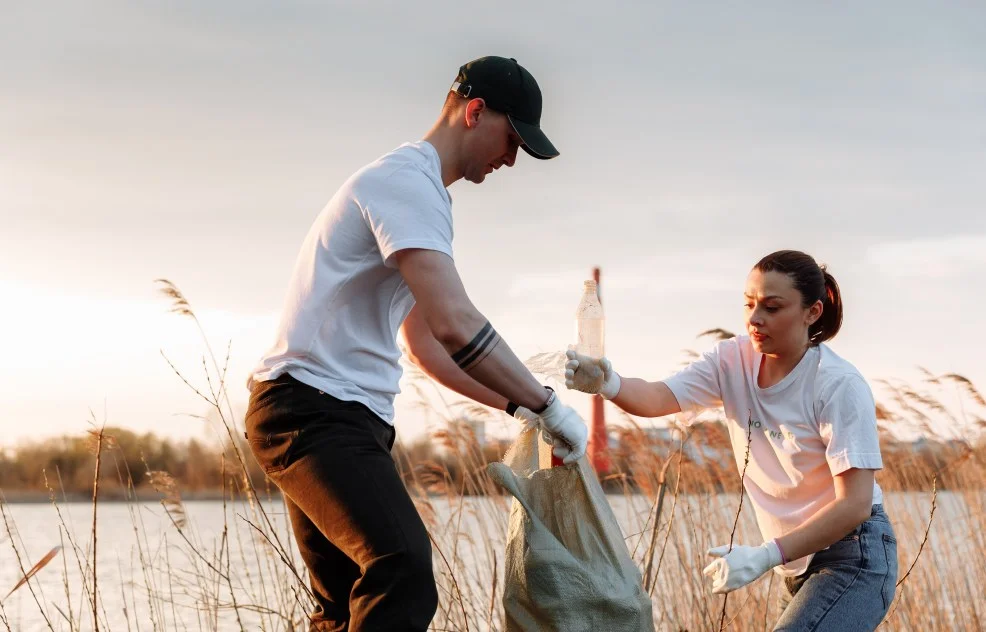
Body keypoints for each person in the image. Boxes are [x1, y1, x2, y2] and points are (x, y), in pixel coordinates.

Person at [244, 56, 588, 632]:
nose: (510, 159)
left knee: (345, 604)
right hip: (312, 412)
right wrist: (548, 402)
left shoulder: (421, 198)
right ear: (475, 112)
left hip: (337, 417)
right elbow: (456, 321)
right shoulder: (405, 183)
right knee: (400, 569)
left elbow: (428, 346)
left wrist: (519, 405)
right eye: (512, 140)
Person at [564, 250, 897, 631]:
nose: (755, 318)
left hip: (853, 555)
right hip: (794, 561)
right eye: (749, 304)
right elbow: (659, 396)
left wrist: (764, 555)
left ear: (813, 312)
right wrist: (608, 383)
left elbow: (854, 505)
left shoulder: (837, 384)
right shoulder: (732, 360)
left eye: (772, 307)